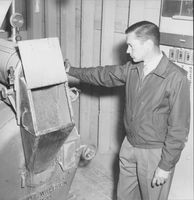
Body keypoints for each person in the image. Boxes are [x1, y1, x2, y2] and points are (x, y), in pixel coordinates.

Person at [64, 21, 190, 200]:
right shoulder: (133, 68)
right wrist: (71, 71)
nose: (127, 51)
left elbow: (179, 129)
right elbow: (103, 75)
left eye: (131, 45)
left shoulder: (176, 78)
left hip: (154, 153)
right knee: (124, 196)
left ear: (148, 44)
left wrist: (165, 165)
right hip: (129, 146)